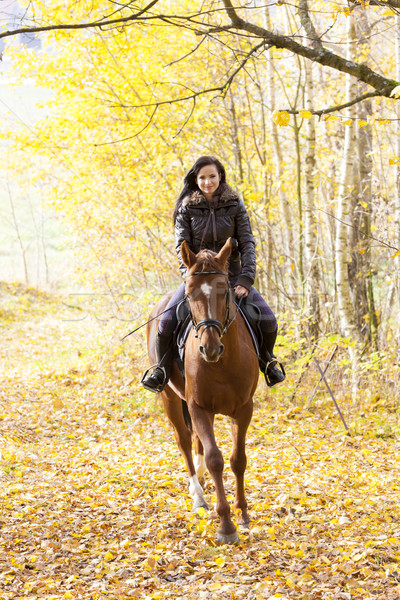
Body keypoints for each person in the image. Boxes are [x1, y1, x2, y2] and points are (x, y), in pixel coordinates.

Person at [141, 155, 285, 393]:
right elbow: (181, 247)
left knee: (268, 319)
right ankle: (161, 370)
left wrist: (246, 280)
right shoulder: (186, 207)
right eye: (202, 178)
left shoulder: (235, 205)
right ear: (195, 180)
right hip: (197, 277)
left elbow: (247, 243)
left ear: (220, 177)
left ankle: (267, 362)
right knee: (166, 322)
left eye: (212, 177)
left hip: (232, 277)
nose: (208, 182)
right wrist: (190, 275)